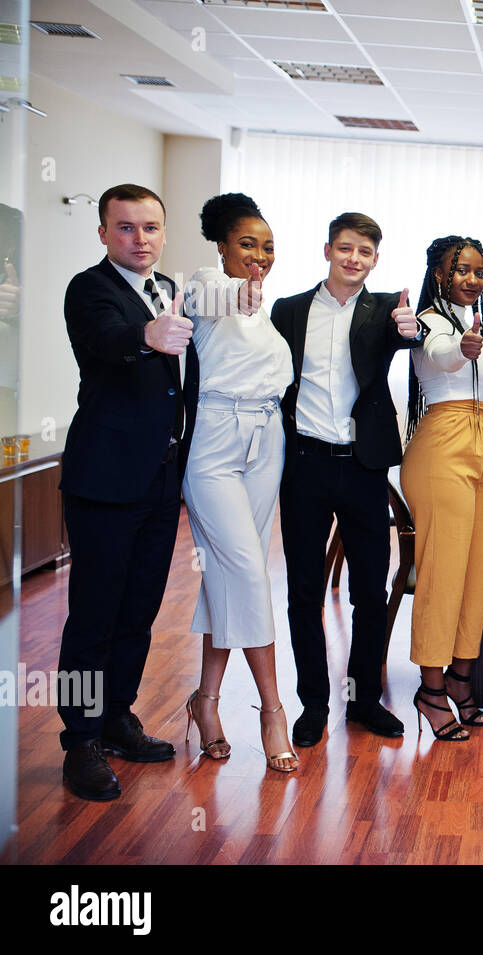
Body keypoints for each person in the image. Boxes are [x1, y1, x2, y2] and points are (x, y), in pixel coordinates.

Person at [57, 183, 198, 800]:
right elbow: (106, 341)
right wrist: (146, 337)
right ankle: (79, 741)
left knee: (138, 611)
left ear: (163, 232)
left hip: (161, 481)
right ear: (103, 233)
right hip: (104, 480)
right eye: (125, 228)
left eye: (150, 228)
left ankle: (116, 717)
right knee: (93, 614)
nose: (139, 240)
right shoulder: (90, 289)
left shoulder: (169, 290)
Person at [270, 212, 422, 747]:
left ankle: (362, 701)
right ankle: (312, 703)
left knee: (368, 591)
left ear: (375, 259)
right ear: (328, 249)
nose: (354, 259)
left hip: (363, 466)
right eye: (346, 248)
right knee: (303, 592)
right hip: (305, 463)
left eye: (365, 252)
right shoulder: (287, 310)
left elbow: (415, 333)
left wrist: (413, 330)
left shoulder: (386, 311)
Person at [180, 193, 297, 772]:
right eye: (247, 244)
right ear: (222, 245)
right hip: (215, 444)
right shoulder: (206, 285)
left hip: (265, 440)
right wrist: (240, 290)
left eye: (268, 247)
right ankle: (272, 711)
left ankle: (205, 702)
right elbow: (211, 295)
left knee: (228, 576)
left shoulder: (264, 311)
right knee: (250, 573)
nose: (259, 257)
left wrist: (253, 298)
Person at [400, 235, 483, 741]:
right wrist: (464, 349)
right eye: (461, 270)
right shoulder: (429, 323)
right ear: (439, 274)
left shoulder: (475, 325)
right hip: (443, 448)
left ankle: (462, 676)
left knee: (480, 574)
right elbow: (441, 357)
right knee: (442, 573)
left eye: (479, 271)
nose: (471, 279)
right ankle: (430, 687)